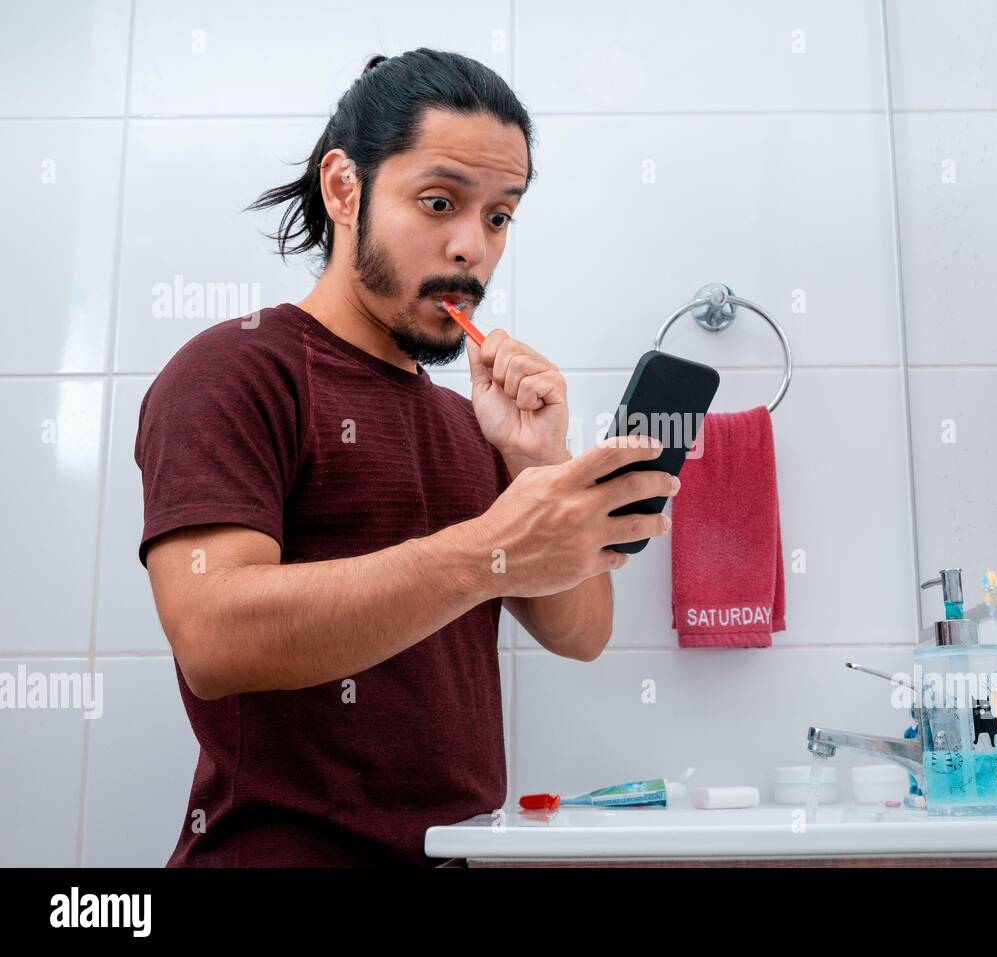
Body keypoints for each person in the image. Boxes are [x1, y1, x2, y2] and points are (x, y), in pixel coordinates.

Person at [135, 48, 676, 866]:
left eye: (499, 216)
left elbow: (582, 634)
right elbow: (212, 638)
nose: (472, 248)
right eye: (438, 202)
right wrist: (488, 553)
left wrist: (537, 461)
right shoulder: (237, 369)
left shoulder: (473, 423)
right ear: (344, 187)